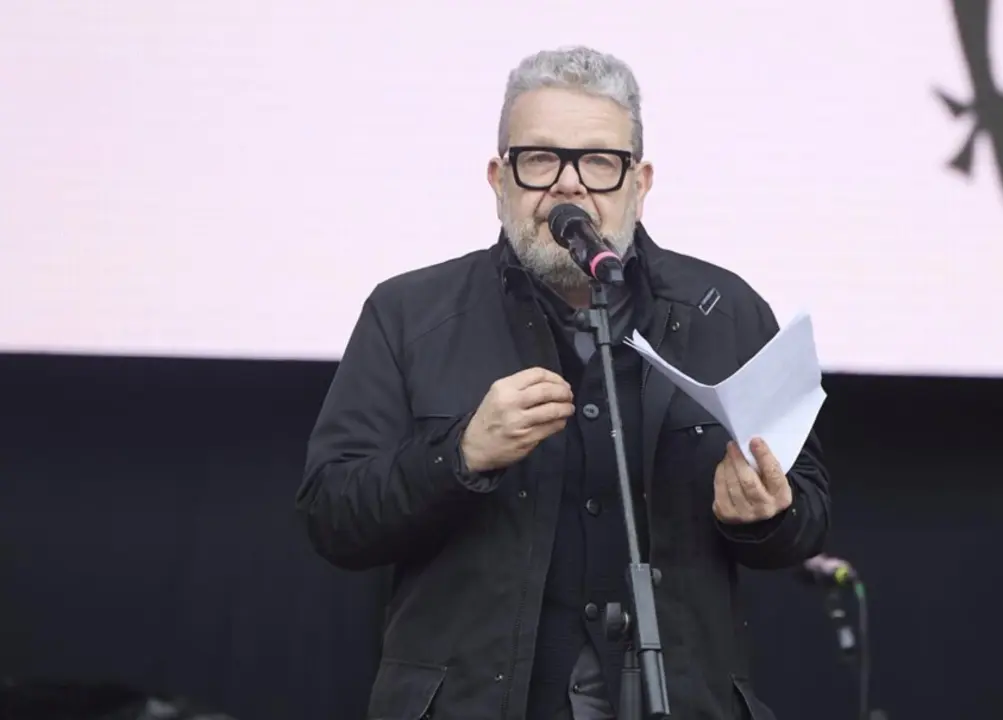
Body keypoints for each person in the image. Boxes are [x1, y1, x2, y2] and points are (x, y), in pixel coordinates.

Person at [295, 45, 831, 720]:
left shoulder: (723, 312)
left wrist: (764, 515)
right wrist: (458, 456)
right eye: (540, 159)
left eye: (599, 162)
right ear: (499, 178)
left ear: (641, 181)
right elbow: (331, 515)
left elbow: (805, 509)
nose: (570, 186)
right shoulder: (410, 314)